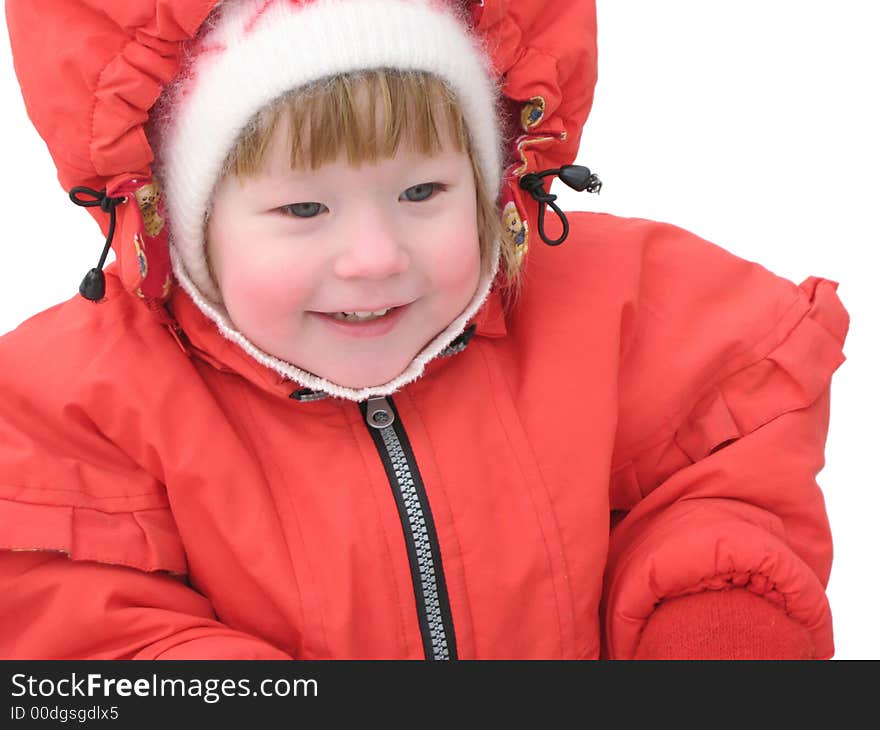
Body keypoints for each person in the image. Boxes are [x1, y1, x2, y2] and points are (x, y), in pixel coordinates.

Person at [0, 0, 849, 660]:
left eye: (422, 194)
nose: (374, 258)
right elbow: (87, 629)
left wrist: (717, 618)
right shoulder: (80, 414)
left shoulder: (615, 313)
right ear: (182, 224)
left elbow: (720, 469)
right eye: (303, 207)